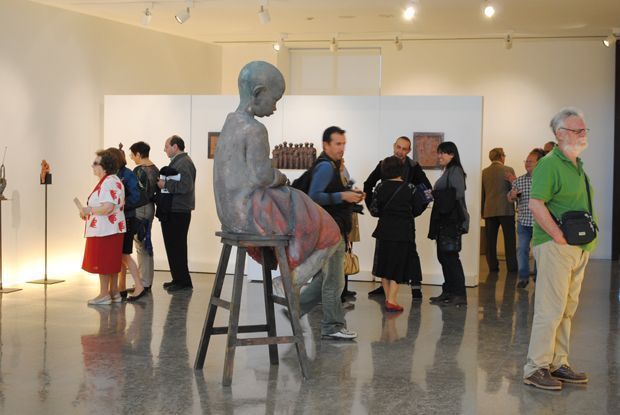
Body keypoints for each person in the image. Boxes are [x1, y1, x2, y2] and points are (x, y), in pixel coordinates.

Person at [213, 61, 341, 291]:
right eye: (274, 100)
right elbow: (262, 176)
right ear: (258, 93)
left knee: (295, 201)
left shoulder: (230, 123)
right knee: (328, 228)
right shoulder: (255, 129)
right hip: (249, 215)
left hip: (229, 214)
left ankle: (291, 278)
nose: (274, 108)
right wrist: (280, 177)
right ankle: (291, 280)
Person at [523, 108, 596, 391]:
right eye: (578, 130)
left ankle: (558, 363)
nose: (583, 134)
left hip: (579, 247)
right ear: (560, 134)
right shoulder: (550, 164)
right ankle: (536, 367)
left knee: (566, 309)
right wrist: (558, 236)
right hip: (557, 247)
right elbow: (535, 204)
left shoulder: (576, 164)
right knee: (550, 309)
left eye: (584, 130)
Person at [302, 126, 363, 340]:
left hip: (332, 230)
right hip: (329, 231)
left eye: (343, 144)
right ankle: (332, 326)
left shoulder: (332, 166)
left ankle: (294, 309)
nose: (341, 148)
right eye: (337, 144)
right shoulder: (326, 167)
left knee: (325, 279)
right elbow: (314, 196)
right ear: (325, 145)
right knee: (334, 281)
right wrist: (343, 196)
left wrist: (349, 195)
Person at [364, 136, 431, 300]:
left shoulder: (414, 167)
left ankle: (416, 287)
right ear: (394, 146)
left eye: (404, 149)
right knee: (385, 253)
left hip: (405, 221)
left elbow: (427, 191)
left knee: (410, 252)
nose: (400, 151)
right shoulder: (384, 164)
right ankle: (386, 289)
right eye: (398, 147)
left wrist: (414, 212)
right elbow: (368, 184)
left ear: (409, 151)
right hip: (388, 220)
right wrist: (374, 207)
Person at [370, 156, 423, 311]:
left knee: (384, 264)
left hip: (384, 230)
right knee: (398, 265)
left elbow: (374, 211)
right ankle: (392, 300)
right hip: (403, 231)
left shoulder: (380, 187)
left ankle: (388, 299)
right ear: (401, 170)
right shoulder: (410, 188)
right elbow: (417, 210)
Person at [80, 149, 125, 305]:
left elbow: (107, 207)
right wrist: (89, 212)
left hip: (105, 230)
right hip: (110, 228)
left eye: (95, 163)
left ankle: (104, 294)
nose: (92, 166)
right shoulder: (111, 180)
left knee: (104, 262)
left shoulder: (108, 182)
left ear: (104, 166)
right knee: (110, 261)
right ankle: (113, 292)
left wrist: (90, 210)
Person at [427, 142, 469, 306]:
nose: (439, 156)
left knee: (450, 257)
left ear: (452, 154)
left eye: (442, 153)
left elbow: (457, 193)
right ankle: (449, 291)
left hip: (452, 220)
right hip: (444, 220)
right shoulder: (448, 170)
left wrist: (435, 194)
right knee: (444, 256)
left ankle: (459, 294)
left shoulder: (455, 170)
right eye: (439, 153)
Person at [158, 135, 196, 292]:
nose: (164, 149)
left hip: (179, 210)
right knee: (173, 246)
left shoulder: (184, 162)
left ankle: (183, 281)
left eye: (166, 146)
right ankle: (178, 279)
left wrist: (165, 184)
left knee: (177, 246)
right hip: (174, 210)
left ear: (175, 147)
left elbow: (186, 186)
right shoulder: (180, 161)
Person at [109, 147, 147, 302]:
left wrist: (121, 205)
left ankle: (139, 286)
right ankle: (121, 288)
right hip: (117, 220)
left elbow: (137, 196)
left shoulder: (128, 174)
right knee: (119, 256)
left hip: (127, 219)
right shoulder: (113, 175)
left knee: (124, 255)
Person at [507, 148, 546, 288]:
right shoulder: (519, 181)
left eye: (530, 161)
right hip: (523, 222)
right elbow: (510, 197)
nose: (527, 163)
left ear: (539, 163)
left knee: (538, 251)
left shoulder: (545, 180)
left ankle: (538, 277)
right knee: (522, 249)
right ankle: (523, 277)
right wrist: (512, 196)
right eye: (526, 161)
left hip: (540, 223)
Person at [129, 141, 159, 292]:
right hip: (150, 207)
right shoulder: (155, 169)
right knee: (145, 242)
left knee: (141, 244)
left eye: (132, 155)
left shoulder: (139, 170)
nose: (131, 157)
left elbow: (135, 192)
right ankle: (145, 280)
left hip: (140, 209)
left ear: (139, 154)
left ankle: (144, 282)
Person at [481, 147, 518, 272]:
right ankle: (512, 267)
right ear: (501, 156)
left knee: (490, 241)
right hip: (506, 210)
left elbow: (482, 193)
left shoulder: (484, 172)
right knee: (509, 240)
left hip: (489, 210)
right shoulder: (508, 170)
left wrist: (482, 211)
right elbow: (514, 189)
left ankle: (493, 266)